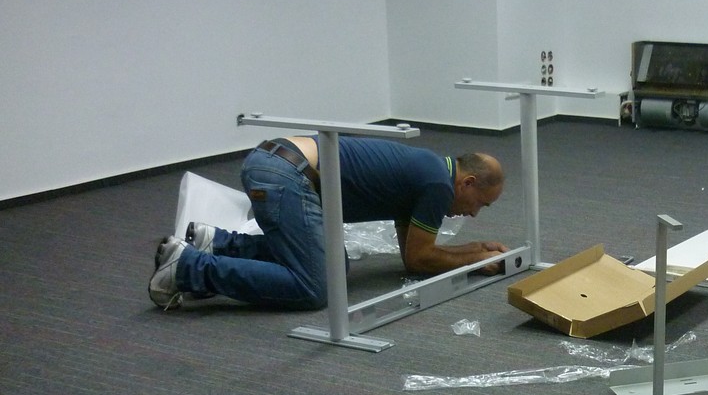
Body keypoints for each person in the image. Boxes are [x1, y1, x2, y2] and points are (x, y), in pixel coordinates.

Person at [149, 136, 508, 310]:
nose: (474, 213)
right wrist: (476, 259)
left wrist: (474, 249)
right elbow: (420, 260)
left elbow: (413, 255)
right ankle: (187, 268)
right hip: (286, 174)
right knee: (315, 287)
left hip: (277, 163)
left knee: (337, 264)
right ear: (467, 183)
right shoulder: (437, 185)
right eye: (481, 203)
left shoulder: (428, 171)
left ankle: (217, 244)